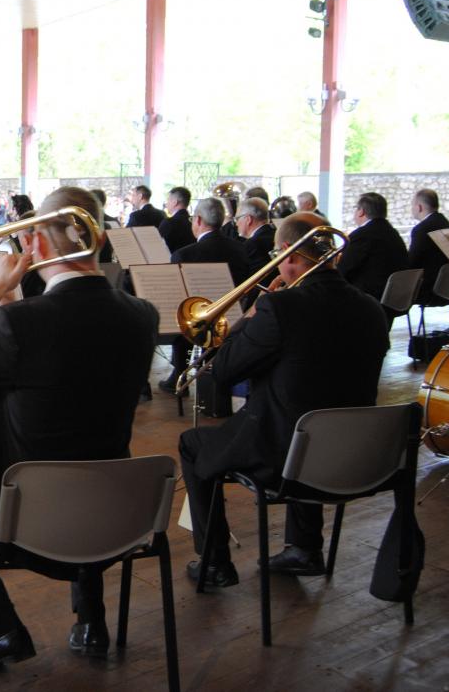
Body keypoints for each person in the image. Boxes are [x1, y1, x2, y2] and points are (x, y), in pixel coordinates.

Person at [0, 186, 157, 671]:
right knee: (84, 450)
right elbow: (60, 361)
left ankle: (4, 625)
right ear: (99, 238)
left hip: (21, 520)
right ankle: (91, 621)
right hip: (111, 516)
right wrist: (12, 308)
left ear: (37, 244)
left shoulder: (21, 325)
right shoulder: (142, 316)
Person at [179, 213, 388, 585]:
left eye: (277, 254)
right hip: (355, 456)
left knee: (193, 445)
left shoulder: (279, 308)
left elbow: (223, 372)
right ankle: (304, 548)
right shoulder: (372, 308)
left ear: (289, 254)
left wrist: (252, 315)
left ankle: (214, 563)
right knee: (309, 412)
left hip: (289, 460)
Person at [160, 198, 250, 394]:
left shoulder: (184, 254)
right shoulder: (240, 249)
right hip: (232, 315)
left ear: (198, 220)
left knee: (181, 314)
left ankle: (179, 374)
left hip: (199, 319)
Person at [339, 192, 409, 316]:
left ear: (361, 212)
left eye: (356, 209)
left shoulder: (362, 234)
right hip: (394, 297)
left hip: (370, 299)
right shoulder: (392, 232)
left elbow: (344, 269)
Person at [408, 188, 449, 305]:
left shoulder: (422, 229)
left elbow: (412, 263)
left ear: (419, 207)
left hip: (430, 289)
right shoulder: (446, 224)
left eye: (412, 205)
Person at [159, 186, 194, 253]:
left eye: (168, 200)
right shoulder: (194, 222)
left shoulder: (169, 223)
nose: (166, 204)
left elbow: (160, 247)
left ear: (175, 202)